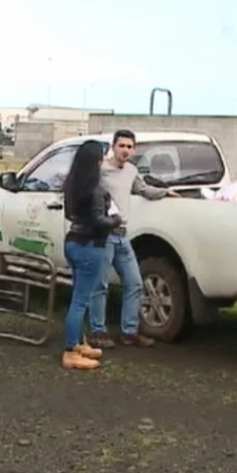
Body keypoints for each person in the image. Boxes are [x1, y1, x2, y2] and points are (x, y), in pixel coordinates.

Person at [88, 129, 180, 348]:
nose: (125, 150)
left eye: (129, 147)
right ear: (113, 147)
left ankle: (129, 332)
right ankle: (98, 331)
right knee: (100, 285)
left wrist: (165, 192)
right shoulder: (101, 170)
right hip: (104, 234)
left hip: (122, 236)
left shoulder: (131, 171)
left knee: (135, 282)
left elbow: (143, 189)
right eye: (121, 146)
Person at [60, 140, 124, 370]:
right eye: (102, 157)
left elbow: (70, 215)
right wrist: (116, 220)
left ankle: (78, 343)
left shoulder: (72, 184)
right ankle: (70, 351)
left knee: (78, 297)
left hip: (73, 242)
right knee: (80, 301)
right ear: (97, 161)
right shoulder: (95, 189)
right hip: (90, 245)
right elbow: (99, 221)